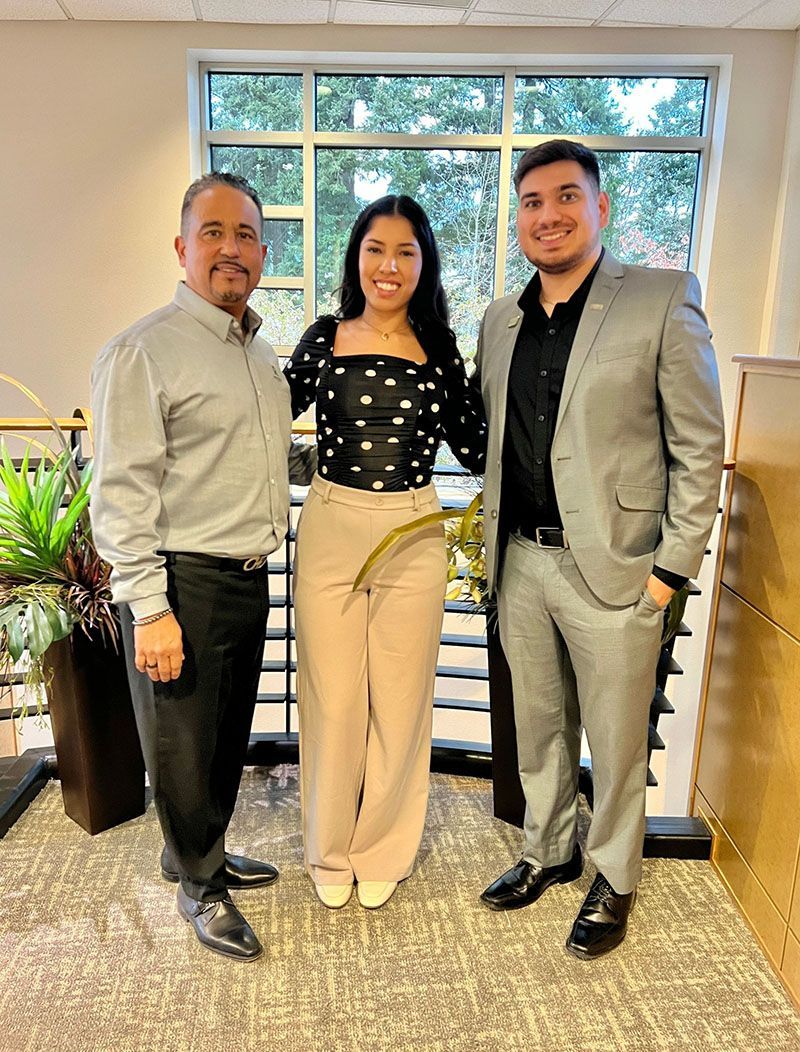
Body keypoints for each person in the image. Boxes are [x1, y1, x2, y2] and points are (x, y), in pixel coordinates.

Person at [476, 140, 724, 959]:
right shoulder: (500, 320)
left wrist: (669, 574)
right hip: (522, 561)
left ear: (600, 207)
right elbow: (492, 438)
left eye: (565, 197)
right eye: (532, 203)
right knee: (538, 725)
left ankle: (614, 875)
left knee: (616, 742)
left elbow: (699, 446)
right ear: (519, 219)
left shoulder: (660, 298)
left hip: (620, 568)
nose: (547, 216)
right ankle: (546, 851)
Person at [91, 172, 316, 962]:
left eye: (247, 235)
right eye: (214, 233)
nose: (232, 248)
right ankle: (200, 886)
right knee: (184, 743)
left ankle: (196, 850)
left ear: (263, 253)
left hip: (246, 576)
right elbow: (120, 492)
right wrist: (148, 608)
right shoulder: (144, 352)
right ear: (183, 247)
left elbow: (257, 456)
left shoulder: (256, 352)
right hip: (180, 580)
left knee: (221, 738)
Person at [284, 195, 486, 911]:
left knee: (400, 704)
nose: (389, 265)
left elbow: (480, 444)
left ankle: (382, 850)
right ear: (356, 257)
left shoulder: (439, 346)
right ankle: (328, 850)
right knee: (334, 701)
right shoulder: (324, 335)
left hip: (414, 529)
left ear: (424, 262)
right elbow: (265, 413)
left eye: (405, 251)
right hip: (334, 523)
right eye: (376, 249)